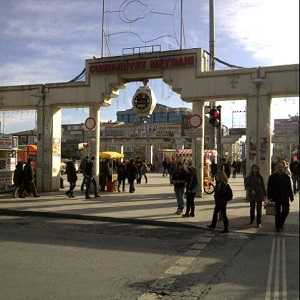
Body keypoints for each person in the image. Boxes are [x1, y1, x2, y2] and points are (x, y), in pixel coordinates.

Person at [267, 161, 294, 232]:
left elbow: (289, 188)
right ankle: (277, 226)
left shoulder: (287, 177)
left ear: (284, 168)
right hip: (276, 197)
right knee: (277, 212)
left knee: (286, 211)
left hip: (285, 197)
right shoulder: (272, 177)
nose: (280, 168)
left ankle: (281, 223)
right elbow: (269, 187)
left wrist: (291, 197)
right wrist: (269, 197)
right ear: (276, 167)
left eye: (282, 167)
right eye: (279, 167)